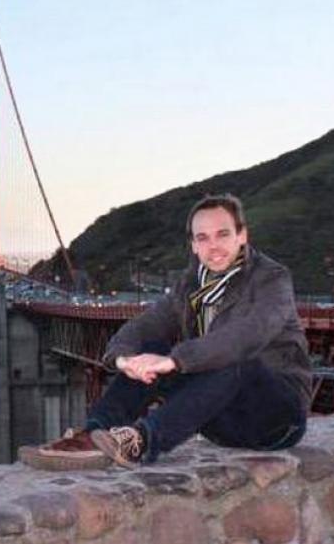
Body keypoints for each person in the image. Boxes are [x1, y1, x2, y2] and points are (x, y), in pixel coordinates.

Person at [20, 193, 311, 470]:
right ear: (194, 246)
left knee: (240, 361)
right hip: (220, 421)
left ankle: (141, 442)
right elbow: (144, 325)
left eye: (223, 234)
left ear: (242, 235)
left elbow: (244, 337)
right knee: (154, 347)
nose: (214, 246)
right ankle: (93, 436)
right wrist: (123, 359)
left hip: (277, 421)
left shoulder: (271, 279)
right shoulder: (190, 285)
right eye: (203, 238)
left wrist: (176, 360)